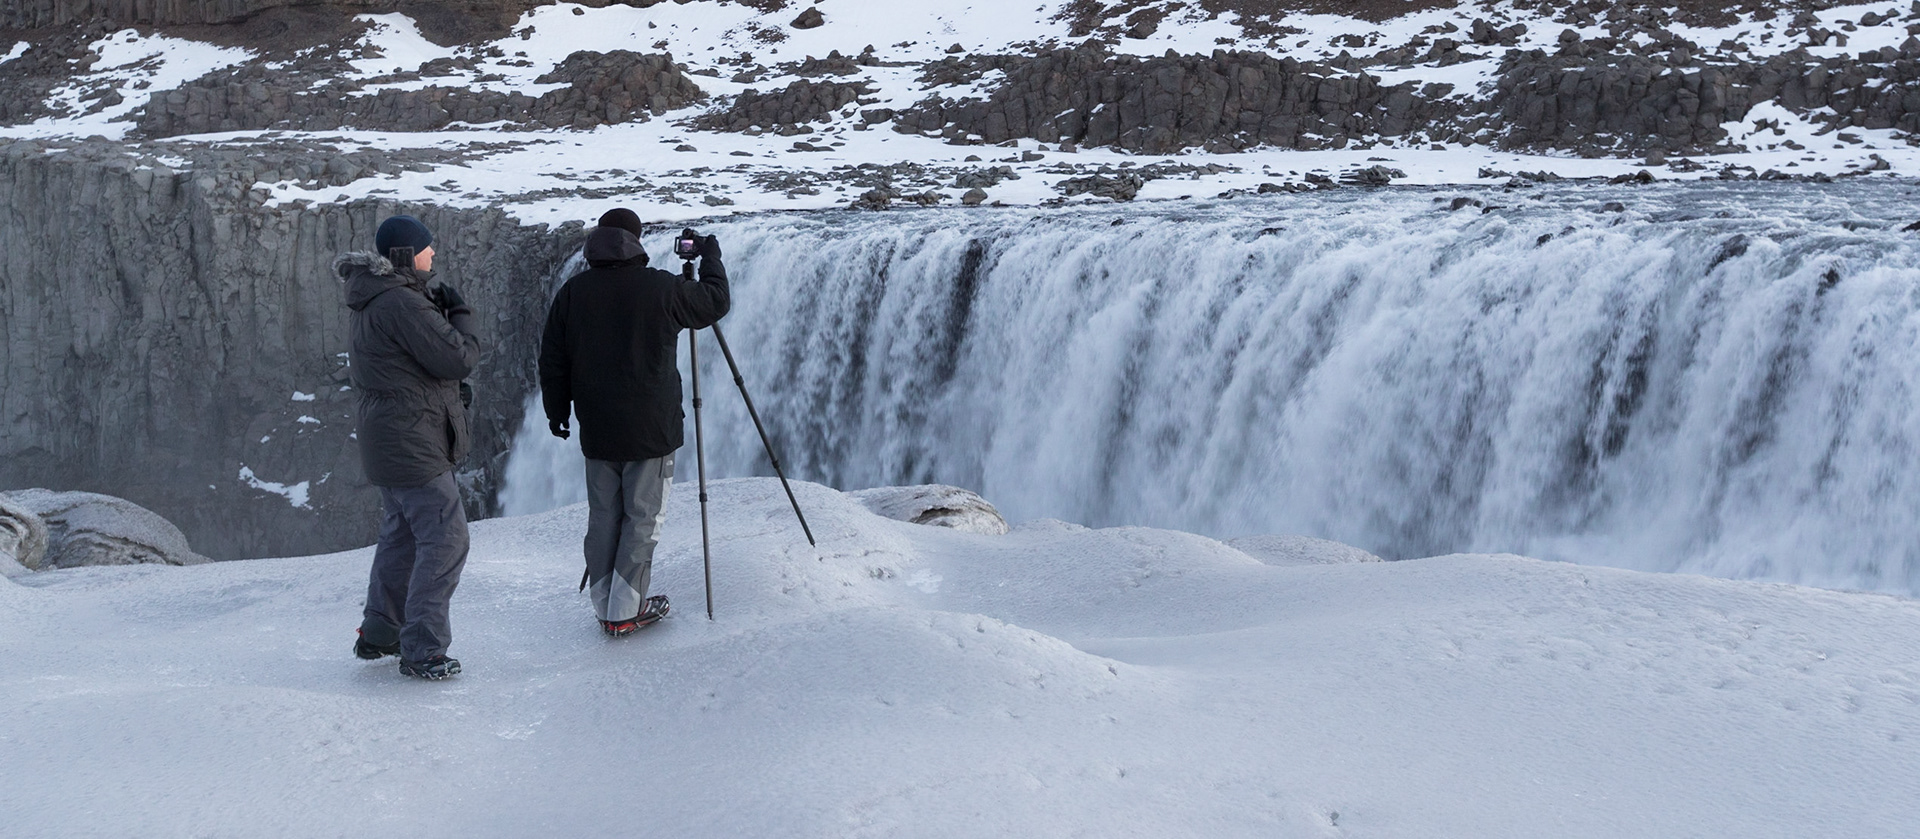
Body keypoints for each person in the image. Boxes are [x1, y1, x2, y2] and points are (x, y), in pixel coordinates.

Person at [539, 208, 729, 636]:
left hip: (598, 427)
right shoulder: (661, 287)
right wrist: (711, 258)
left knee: (604, 516)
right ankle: (624, 612)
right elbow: (715, 303)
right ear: (636, 242)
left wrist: (557, 411)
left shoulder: (574, 291)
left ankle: (604, 600)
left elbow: (552, 358)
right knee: (642, 517)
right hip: (650, 430)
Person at [337, 214, 480, 679]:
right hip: (413, 443)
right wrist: (460, 317)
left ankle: (380, 630)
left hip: (389, 441)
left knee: (401, 536)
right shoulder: (399, 302)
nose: (433, 254)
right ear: (404, 255)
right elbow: (457, 357)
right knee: (446, 539)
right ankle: (422, 649)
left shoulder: (374, 298)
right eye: (426, 248)